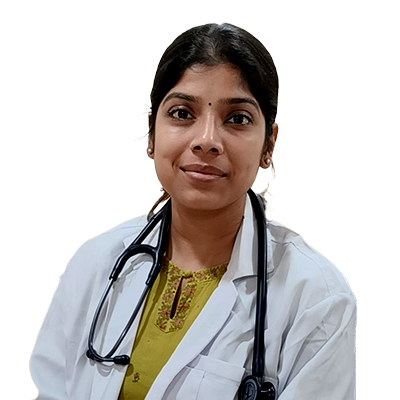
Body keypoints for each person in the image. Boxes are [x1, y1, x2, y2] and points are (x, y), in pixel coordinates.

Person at [30, 23, 356, 400]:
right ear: (152, 134)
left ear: (269, 144)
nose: (206, 141)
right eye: (183, 113)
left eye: (237, 118)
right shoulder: (96, 263)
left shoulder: (316, 299)